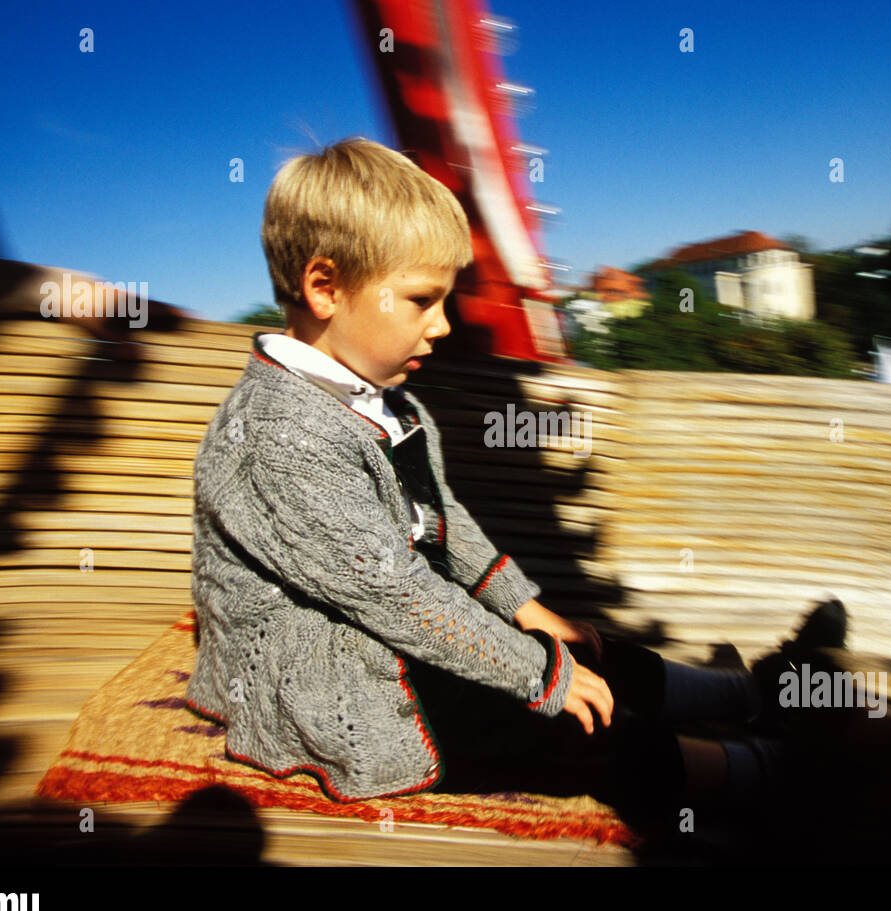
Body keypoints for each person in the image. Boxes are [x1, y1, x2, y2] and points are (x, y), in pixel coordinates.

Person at [184, 136, 849, 840]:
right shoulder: (279, 434)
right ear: (325, 287)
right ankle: (770, 771)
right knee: (561, 716)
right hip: (328, 677)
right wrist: (542, 675)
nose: (441, 326)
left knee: (576, 645)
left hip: (392, 628)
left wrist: (527, 611)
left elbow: (444, 522)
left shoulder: (387, 402)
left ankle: (753, 693)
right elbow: (390, 592)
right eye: (421, 300)